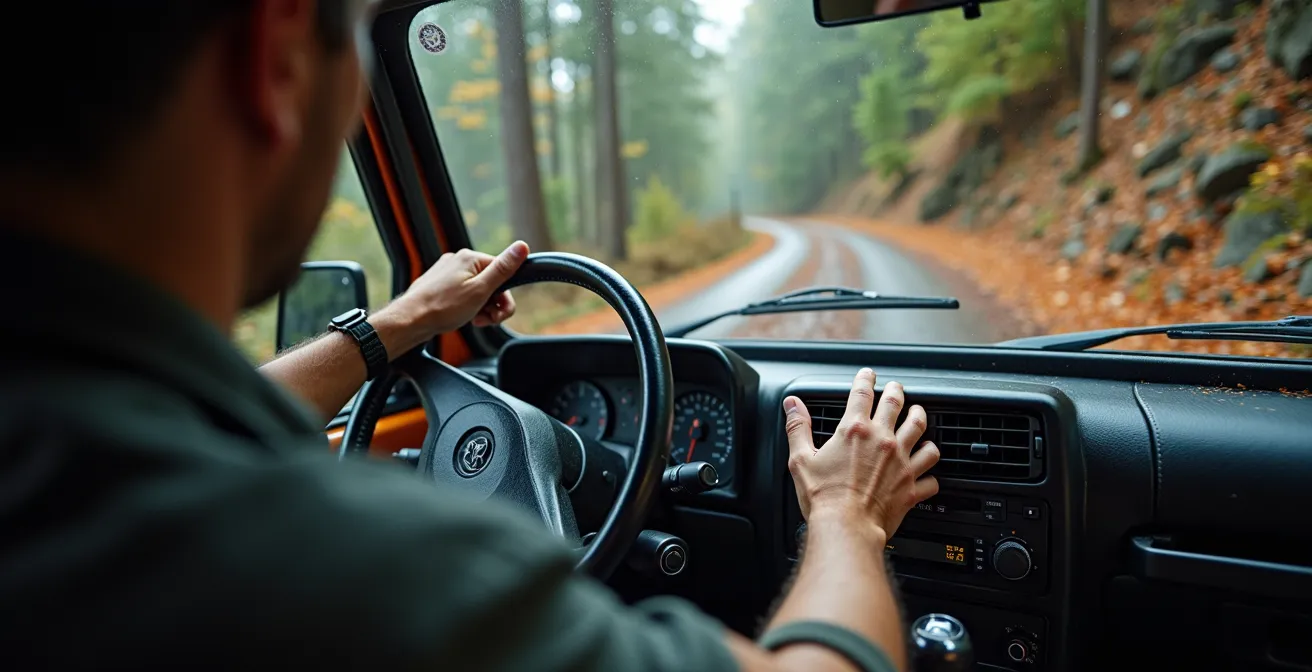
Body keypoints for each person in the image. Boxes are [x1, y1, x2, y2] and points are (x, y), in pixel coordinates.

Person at [0, 1, 940, 670]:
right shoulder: (358, 571)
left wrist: (403, 322)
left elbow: (199, 417)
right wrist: (849, 517)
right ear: (278, 52)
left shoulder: (71, 440)